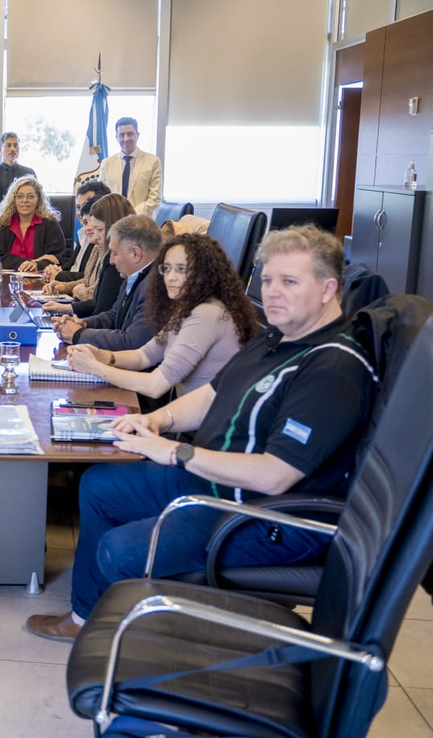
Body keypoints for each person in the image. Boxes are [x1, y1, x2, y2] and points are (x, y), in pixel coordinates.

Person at [25, 225, 377, 643]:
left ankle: (130, 639)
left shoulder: (334, 368)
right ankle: (85, 618)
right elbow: (212, 394)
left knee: (120, 550)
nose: (272, 293)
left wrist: (176, 453)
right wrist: (159, 421)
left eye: (289, 282)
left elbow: (275, 476)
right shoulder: (277, 339)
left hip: (265, 515)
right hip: (218, 481)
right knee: (100, 485)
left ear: (327, 288)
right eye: (267, 280)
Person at [66, 233, 259, 400]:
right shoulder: (187, 307)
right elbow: (143, 356)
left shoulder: (206, 314)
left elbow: (155, 385)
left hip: (202, 427)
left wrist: (94, 367)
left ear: (204, 273)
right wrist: (101, 355)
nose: (171, 277)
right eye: (167, 268)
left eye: (181, 269)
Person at [53, 214, 160, 349]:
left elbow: (131, 342)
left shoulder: (156, 287)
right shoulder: (133, 275)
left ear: (135, 254)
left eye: (115, 253)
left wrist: (79, 334)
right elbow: (114, 316)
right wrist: (83, 324)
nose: (111, 261)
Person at [43, 194, 135, 319]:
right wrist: (67, 295)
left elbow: (101, 307)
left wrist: (79, 324)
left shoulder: (115, 261)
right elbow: (90, 284)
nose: (95, 235)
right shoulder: (98, 249)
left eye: (99, 229)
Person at [0, 175, 66, 271]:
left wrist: (36, 265)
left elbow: (57, 259)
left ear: (38, 199)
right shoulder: (4, 223)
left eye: (30, 196)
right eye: (20, 196)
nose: (25, 200)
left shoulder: (50, 224)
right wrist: (34, 262)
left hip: (41, 278)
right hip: (7, 278)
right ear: (14, 199)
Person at [99, 117, 162, 218]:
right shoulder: (106, 163)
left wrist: (130, 214)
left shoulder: (153, 161)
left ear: (137, 135)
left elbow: (155, 198)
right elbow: (102, 196)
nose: (126, 139)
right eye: (121, 135)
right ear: (116, 137)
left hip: (141, 221)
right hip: (113, 220)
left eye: (130, 134)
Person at [0, 132, 37, 221]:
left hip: (24, 222)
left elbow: (36, 198)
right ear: (0, 149)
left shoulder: (29, 173)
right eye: (8, 145)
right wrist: (3, 217)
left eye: (15, 145)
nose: (12, 149)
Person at [58, 179, 111, 276]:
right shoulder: (83, 231)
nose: (80, 212)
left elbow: (88, 277)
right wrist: (57, 270)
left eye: (85, 206)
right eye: (78, 207)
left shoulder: (100, 237)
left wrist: (59, 276)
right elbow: (72, 266)